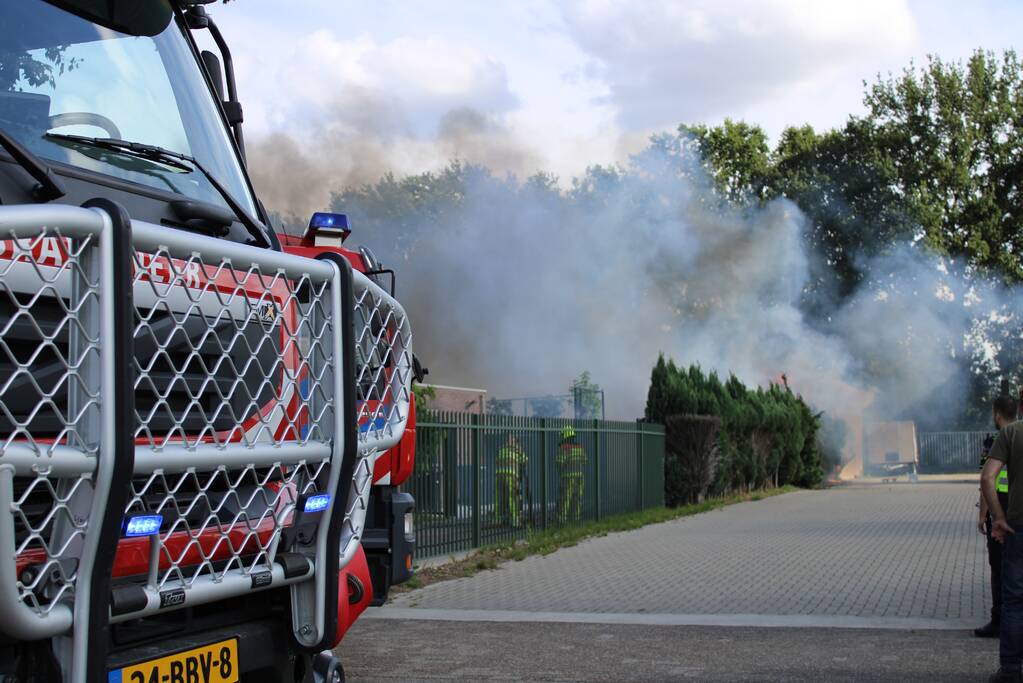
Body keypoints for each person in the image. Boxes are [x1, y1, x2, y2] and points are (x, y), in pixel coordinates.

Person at [982, 395, 1023, 682]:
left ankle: (1010, 670)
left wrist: (998, 517)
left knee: (1015, 600)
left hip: (1018, 528)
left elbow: (987, 478)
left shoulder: (1011, 432)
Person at [979, 431, 1010, 638]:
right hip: (1015, 509)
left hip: (1000, 507)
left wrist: (983, 514)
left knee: (999, 568)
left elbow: (986, 479)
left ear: (997, 415)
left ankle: (999, 620)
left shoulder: (995, 442)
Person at [495, 435, 527, 526]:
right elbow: (525, 461)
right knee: (512, 497)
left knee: (499, 498)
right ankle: (515, 520)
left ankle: (498, 519)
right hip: (511, 475)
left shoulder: (501, 448)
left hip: (498, 475)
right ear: (515, 442)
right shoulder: (516, 449)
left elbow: (497, 461)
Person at [557, 425, 586, 521]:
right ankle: (575, 517)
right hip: (580, 476)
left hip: (567, 477)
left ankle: (562, 518)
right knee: (577, 497)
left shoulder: (564, 448)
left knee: (566, 498)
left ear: (565, 435)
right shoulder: (579, 447)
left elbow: (559, 462)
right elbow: (584, 460)